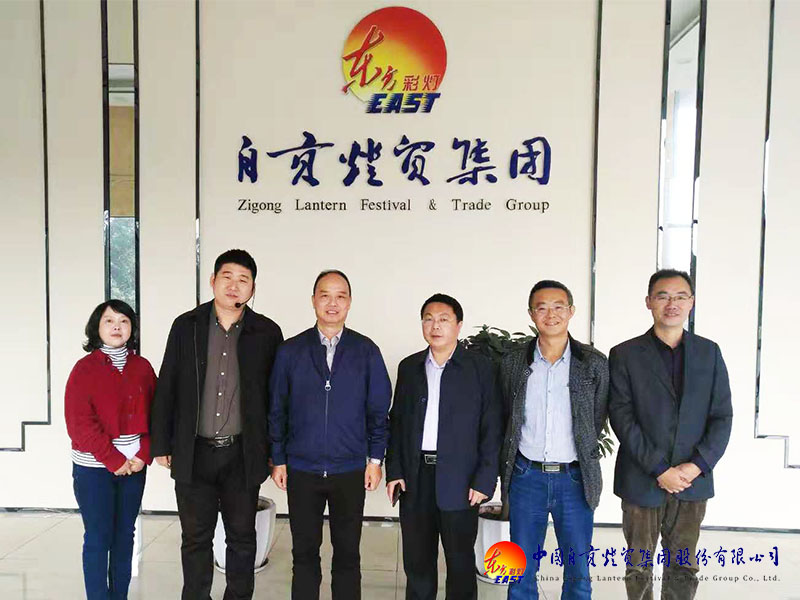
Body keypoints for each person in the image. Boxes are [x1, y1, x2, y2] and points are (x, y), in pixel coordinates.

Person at [150, 249, 283, 600]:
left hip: (243, 453)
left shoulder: (267, 332)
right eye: (227, 277)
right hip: (194, 451)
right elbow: (168, 383)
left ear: (253, 288)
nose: (234, 286)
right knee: (196, 539)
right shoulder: (186, 326)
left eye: (243, 280)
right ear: (212, 281)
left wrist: (275, 450)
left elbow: (277, 398)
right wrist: (161, 443)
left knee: (242, 538)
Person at [609, 269, 732, 600]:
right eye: (662, 296)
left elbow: (722, 416)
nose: (671, 303)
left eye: (680, 297)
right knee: (639, 565)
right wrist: (659, 469)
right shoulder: (625, 354)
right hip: (641, 476)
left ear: (691, 302)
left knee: (683, 565)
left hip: (693, 480)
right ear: (649, 302)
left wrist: (695, 466)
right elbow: (622, 416)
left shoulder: (709, 352)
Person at [269, 269, 392, 600]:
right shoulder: (291, 350)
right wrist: (278, 458)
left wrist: (375, 459)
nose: (332, 303)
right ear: (313, 301)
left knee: (348, 555)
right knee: (304, 554)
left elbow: (378, 410)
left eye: (340, 296)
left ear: (350, 302)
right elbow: (277, 408)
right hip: (302, 468)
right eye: (325, 295)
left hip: (349, 468)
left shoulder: (366, 351)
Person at [386, 293, 502, 600]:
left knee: (460, 562)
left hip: (461, 479)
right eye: (428, 319)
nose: (435, 326)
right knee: (417, 561)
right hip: (416, 478)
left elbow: (492, 428)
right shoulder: (409, 367)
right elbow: (396, 423)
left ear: (458, 325)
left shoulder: (481, 368)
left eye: (443, 319)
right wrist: (394, 471)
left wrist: (484, 479)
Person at [498, 280, 609, 600]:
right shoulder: (514, 362)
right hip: (526, 477)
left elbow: (597, 417)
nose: (551, 314)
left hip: (574, 479)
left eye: (558, 307)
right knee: (520, 571)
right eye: (542, 307)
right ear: (531, 313)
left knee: (578, 571)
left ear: (571, 311)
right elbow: (507, 415)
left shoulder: (593, 363)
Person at [65, 299, 157, 600]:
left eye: (124, 321)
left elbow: (157, 414)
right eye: (109, 320)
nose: (117, 326)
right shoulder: (84, 370)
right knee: (98, 536)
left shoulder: (142, 368)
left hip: (134, 467)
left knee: (124, 536)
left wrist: (144, 453)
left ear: (132, 328)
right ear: (97, 327)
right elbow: (79, 424)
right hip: (94, 468)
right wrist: (113, 459)